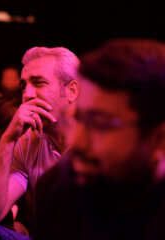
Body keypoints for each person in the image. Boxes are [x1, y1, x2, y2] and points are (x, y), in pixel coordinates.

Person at [34, 39, 165, 240]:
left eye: (101, 125)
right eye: (79, 119)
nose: (76, 141)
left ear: (159, 139)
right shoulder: (57, 185)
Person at [0, 46, 80, 238]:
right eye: (23, 86)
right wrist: (8, 139)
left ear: (71, 91)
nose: (27, 95)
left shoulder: (99, 141)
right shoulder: (30, 140)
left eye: (39, 83)